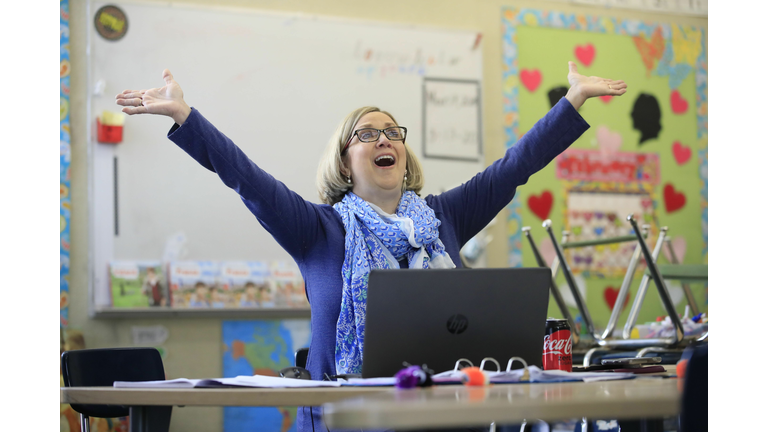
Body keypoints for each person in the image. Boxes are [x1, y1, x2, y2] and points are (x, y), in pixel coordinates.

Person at [116, 62, 626, 431]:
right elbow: (245, 177)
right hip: (344, 422)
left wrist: (572, 101)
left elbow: (513, 167)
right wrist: (186, 116)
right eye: (367, 135)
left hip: (447, 419)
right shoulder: (315, 230)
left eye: (392, 133)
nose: (384, 140)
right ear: (344, 160)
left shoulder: (443, 218)